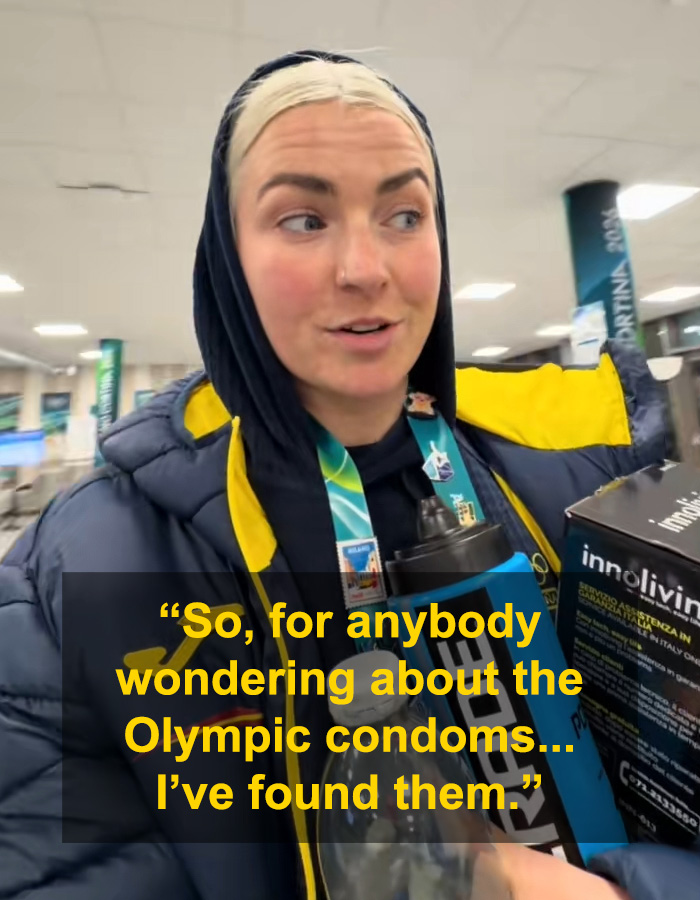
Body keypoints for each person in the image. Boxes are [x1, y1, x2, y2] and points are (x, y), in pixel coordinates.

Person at [0, 49, 697, 900]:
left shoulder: (590, 473)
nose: (366, 268)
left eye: (405, 214)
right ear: (228, 258)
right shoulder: (82, 572)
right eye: (304, 219)